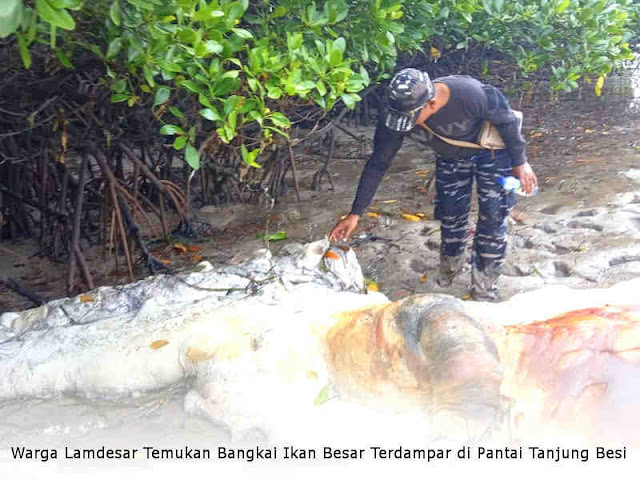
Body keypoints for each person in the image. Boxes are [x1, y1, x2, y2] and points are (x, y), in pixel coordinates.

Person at [328, 68, 538, 301]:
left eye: (410, 118)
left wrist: (520, 162)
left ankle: (485, 289)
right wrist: (356, 213)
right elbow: (378, 163)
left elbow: (507, 120)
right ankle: (450, 270)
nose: (404, 126)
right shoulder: (396, 116)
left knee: (493, 217)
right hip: (451, 158)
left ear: (431, 103)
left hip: (491, 153)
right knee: (450, 215)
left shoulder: (469, 94)